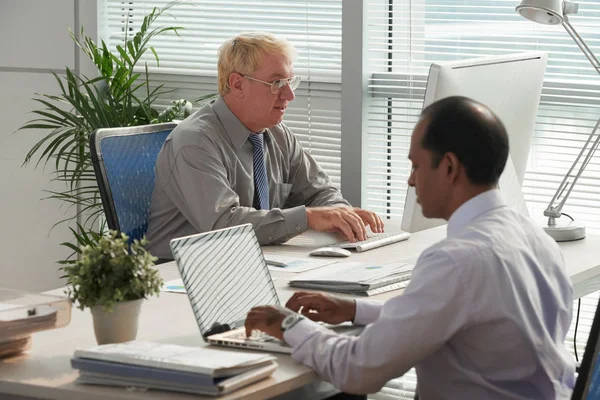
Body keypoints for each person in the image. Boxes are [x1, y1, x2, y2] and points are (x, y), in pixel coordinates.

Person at [245, 96, 576, 399]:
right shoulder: (536, 239)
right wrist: (356, 309)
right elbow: (460, 313)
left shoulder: (456, 261)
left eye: (416, 165)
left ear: (448, 167)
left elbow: (357, 371)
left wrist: (287, 324)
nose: (411, 180)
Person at [146, 32, 383, 260]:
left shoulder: (277, 134)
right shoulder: (195, 142)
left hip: (251, 262)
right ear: (237, 84)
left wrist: (342, 216)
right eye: (277, 82)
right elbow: (223, 225)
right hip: (180, 275)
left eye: (290, 81)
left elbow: (319, 192)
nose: (289, 95)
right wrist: (308, 217)